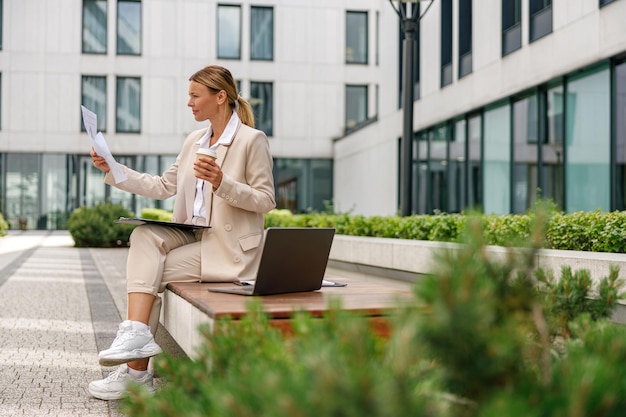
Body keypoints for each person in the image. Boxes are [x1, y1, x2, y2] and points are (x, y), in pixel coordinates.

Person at [87, 65, 276, 400]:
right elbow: (163, 186)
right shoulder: (195, 141)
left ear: (220, 97)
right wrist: (114, 168)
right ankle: (136, 338)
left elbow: (266, 199)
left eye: (194, 95)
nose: (189, 103)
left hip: (228, 247)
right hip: (193, 233)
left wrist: (222, 182)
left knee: (149, 276)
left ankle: (136, 371)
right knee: (142, 235)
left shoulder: (251, 140)